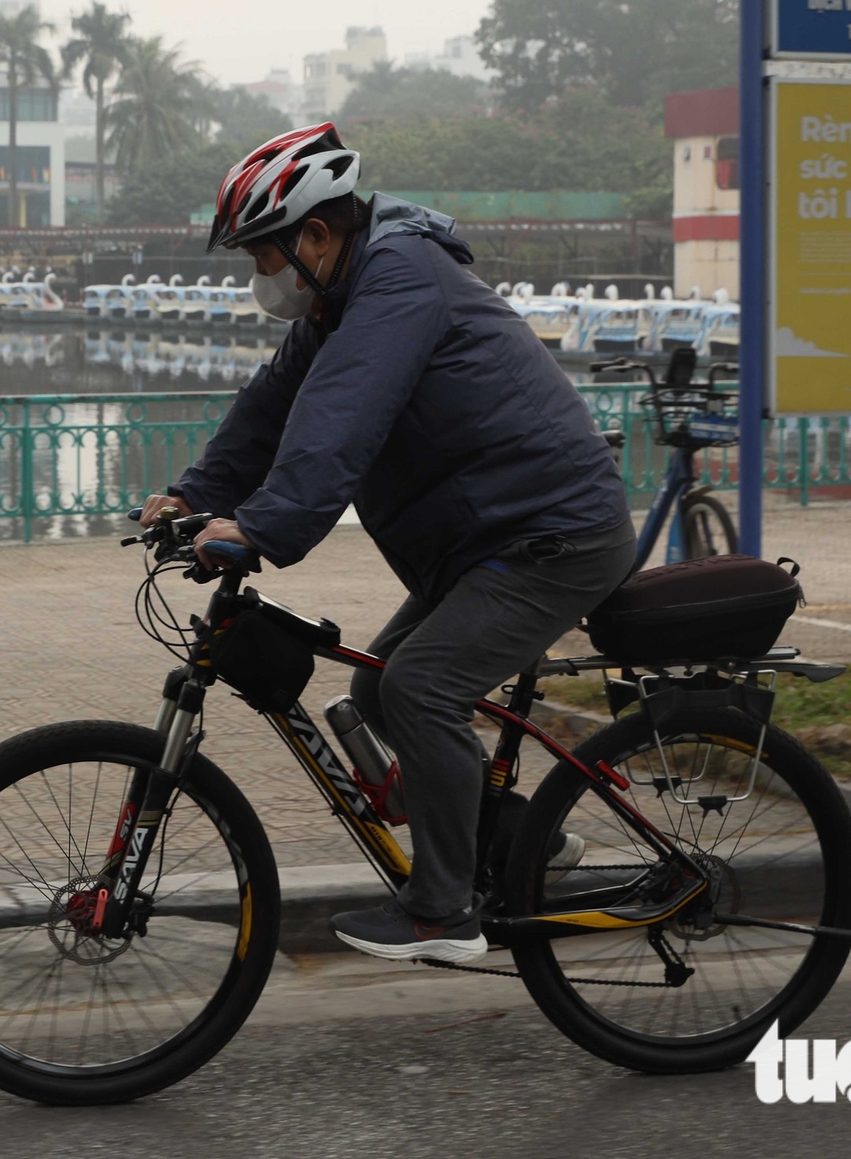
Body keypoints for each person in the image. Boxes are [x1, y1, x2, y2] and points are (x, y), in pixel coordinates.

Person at [140, 124, 634, 965]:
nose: (259, 276)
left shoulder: (399, 280)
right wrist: (196, 496)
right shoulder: (343, 300)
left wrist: (261, 527)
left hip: (552, 533)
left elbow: (341, 416)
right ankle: (525, 841)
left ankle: (444, 912)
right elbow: (272, 407)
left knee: (420, 687)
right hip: (489, 538)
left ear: (316, 236)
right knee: (376, 690)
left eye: (263, 256)